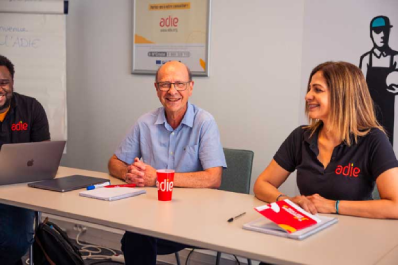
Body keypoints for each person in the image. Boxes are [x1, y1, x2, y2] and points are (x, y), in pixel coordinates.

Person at [108, 61, 226, 265]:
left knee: (135, 238)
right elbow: (114, 162)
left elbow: (214, 178)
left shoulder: (205, 122)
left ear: (190, 88)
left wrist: (158, 178)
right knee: (136, 235)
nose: (172, 91)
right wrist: (129, 172)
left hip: (193, 214)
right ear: (156, 89)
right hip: (152, 210)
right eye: (165, 84)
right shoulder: (145, 122)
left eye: (180, 84)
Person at [254, 61, 398, 219]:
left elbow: (395, 205)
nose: (307, 96)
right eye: (309, 89)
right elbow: (262, 184)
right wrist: (287, 202)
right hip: (308, 231)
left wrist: (332, 205)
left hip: (356, 234)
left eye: (317, 89)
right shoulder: (300, 136)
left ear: (342, 95)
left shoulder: (373, 140)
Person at [0, 55, 50, 265]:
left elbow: (43, 156)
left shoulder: (31, 109)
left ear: (12, 82)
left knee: (16, 241)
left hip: (19, 191)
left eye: (4, 82)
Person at [359, 16, 398, 145]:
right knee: (367, 142)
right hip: (369, 110)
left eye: (384, 31)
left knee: (387, 142)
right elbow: (359, 89)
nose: (381, 35)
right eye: (377, 31)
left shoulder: (395, 58)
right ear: (371, 33)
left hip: (388, 109)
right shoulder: (366, 59)